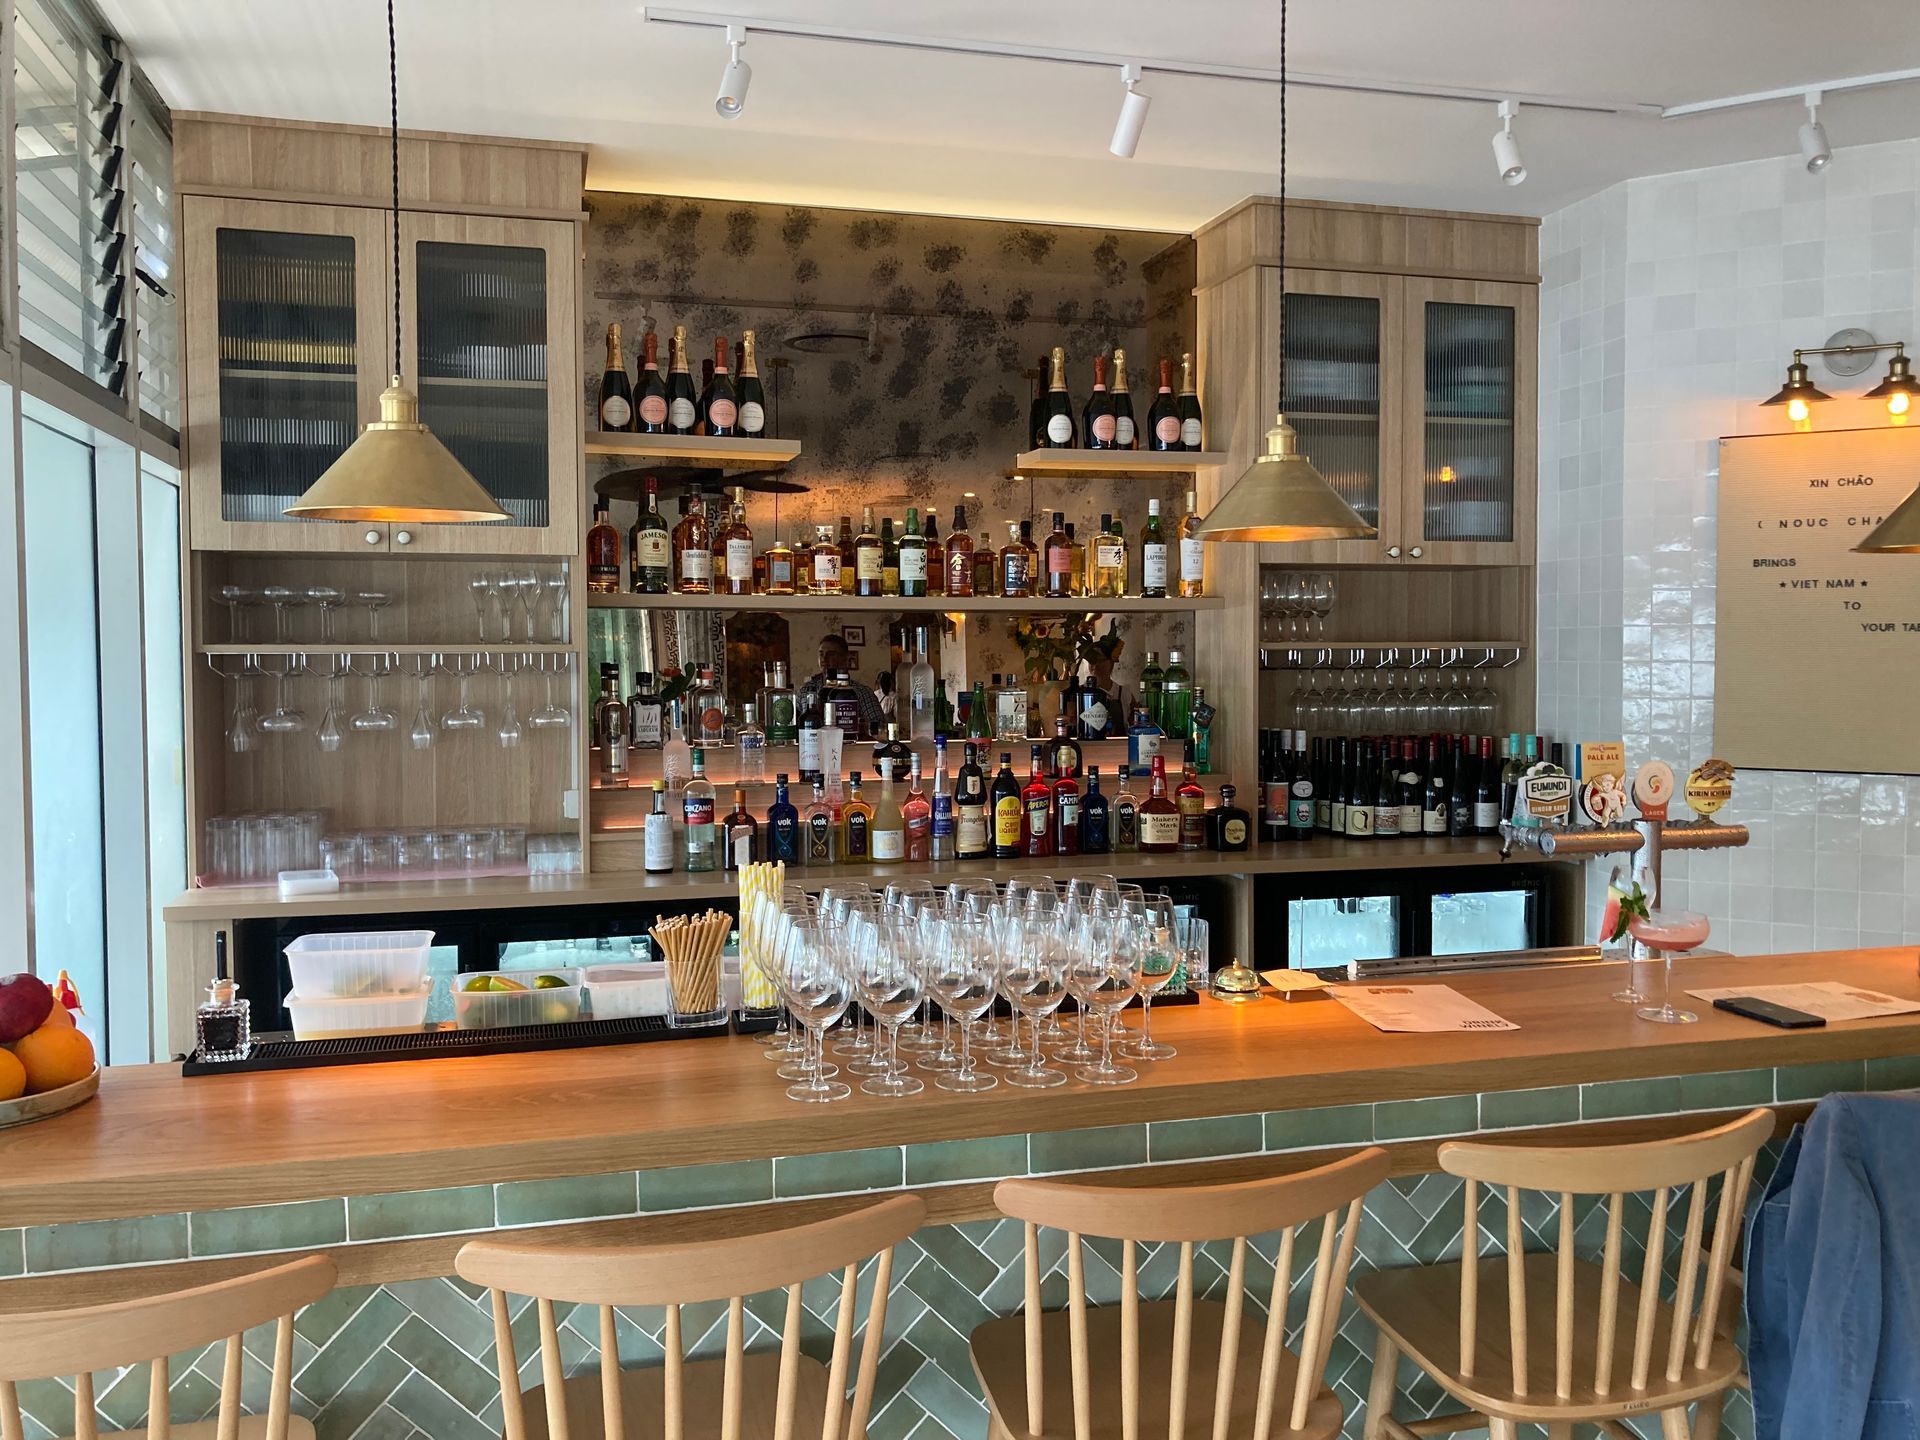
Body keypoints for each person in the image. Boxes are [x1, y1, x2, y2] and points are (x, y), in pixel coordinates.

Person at [797, 633, 886, 737]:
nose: (824, 659)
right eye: (821, 654)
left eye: (831, 654)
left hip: (850, 749)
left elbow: (879, 727)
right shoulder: (806, 690)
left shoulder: (862, 692)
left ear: (845, 658)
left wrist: (862, 726)